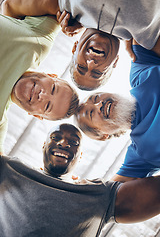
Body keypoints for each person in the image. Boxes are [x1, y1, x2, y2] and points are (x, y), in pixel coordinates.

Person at [0, 123, 160, 237]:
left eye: (74, 142)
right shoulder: (10, 169)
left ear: (80, 155)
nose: (63, 143)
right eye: (56, 137)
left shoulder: (99, 194)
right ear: (44, 145)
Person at [2, 0, 160, 90]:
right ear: (115, 62)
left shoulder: (65, 8)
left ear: (75, 47)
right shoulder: (147, 37)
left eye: (82, 67)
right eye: (97, 73)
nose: (91, 64)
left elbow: (9, 7)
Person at [75, 38, 160, 181]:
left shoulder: (139, 76)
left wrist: (128, 36)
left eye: (95, 98)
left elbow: (141, 30)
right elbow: (109, 191)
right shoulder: (140, 154)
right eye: (91, 113)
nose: (99, 105)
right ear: (102, 135)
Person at [0, 12, 79, 154]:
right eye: (53, 89)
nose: (42, 95)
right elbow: (62, 5)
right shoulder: (39, 41)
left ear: (36, 115)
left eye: (47, 106)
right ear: (51, 75)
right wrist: (80, 23)